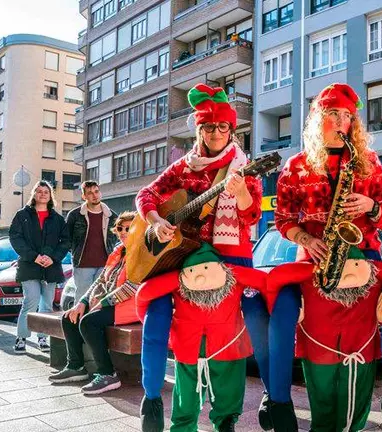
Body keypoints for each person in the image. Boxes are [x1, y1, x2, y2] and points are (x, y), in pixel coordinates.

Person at [269, 83, 382, 431]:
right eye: (333, 114)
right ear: (318, 118)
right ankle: (276, 398)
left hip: (363, 257)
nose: (341, 121)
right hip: (315, 262)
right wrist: (304, 237)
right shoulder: (297, 165)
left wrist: (373, 206)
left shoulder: (369, 163)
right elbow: (284, 219)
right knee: (290, 323)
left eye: (347, 116)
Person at [135, 84, 267, 432]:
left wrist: (239, 196)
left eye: (222, 127)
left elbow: (251, 217)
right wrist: (157, 220)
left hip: (231, 258)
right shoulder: (183, 167)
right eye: (209, 127)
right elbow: (146, 194)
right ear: (199, 130)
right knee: (157, 316)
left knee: (256, 316)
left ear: (231, 129)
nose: (216, 133)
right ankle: (151, 399)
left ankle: (272, 394)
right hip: (184, 259)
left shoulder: (244, 168)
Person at [49, 211, 139, 395]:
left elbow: (133, 286)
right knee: (70, 317)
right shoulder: (117, 252)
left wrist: (104, 303)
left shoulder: (143, 253)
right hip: (109, 302)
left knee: (89, 322)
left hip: (131, 306)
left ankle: (108, 374)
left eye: (128, 229)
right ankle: (76, 367)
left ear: (139, 230)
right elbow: (100, 281)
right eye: (120, 228)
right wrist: (82, 301)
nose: (122, 232)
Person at [9, 180, 70, 354]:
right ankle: (21, 338)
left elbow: (65, 241)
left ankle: (43, 338)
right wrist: (34, 256)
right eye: (39, 191)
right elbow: (15, 237)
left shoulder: (57, 219)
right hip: (29, 266)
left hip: (51, 267)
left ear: (50, 196)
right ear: (34, 194)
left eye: (46, 192)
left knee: (47, 305)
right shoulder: (22, 215)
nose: (43, 194)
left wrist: (54, 258)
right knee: (31, 301)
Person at [65, 181, 118, 302]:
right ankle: (79, 321)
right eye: (90, 193)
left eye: (96, 191)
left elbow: (116, 238)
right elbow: (67, 238)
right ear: (84, 196)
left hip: (104, 265)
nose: (94, 195)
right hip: (82, 265)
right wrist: (76, 251)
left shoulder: (112, 216)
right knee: (82, 299)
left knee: (99, 299)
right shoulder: (75, 215)